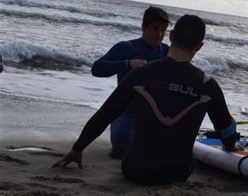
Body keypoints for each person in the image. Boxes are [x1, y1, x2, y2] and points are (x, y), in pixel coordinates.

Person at [55, 14, 238, 184]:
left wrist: (77, 149)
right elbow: (226, 131)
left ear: (171, 36)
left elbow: (105, 114)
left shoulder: (142, 73)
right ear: (199, 46)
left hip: (135, 170)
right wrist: (231, 143)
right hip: (178, 173)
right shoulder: (208, 84)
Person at [91, 6, 170, 158]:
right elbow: (97, 69)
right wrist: (127, 64)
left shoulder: (167, 51)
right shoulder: (126, 47)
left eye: (163, 30)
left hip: (155, 114)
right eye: (155, 28)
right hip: (127, 112)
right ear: (143, 27)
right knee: (121, 147)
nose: (159, 34)